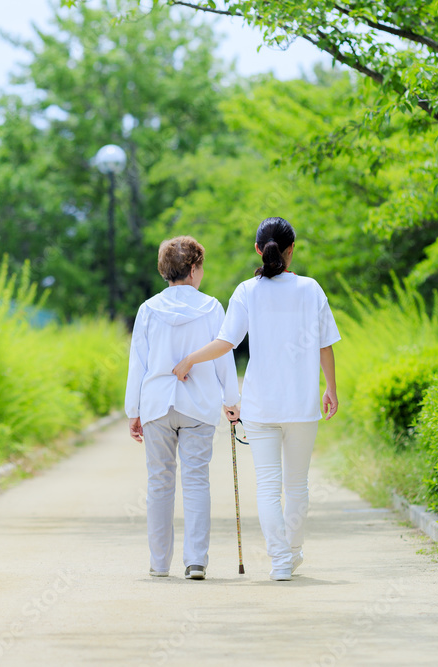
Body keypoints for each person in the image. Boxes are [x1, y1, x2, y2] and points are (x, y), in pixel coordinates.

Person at [172, 217, 341, 581]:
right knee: (297, 484)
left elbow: (225, 343)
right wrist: (331, 388)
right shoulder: (311, 289)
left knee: (268, 485)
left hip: (261, 404)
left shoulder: (247, 291)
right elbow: (325, 343)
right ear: (291, 250)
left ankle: (281, 560)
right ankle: (291, 553)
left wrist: (189, 359)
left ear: (257, 250)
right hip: (301, 403)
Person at [125, 236, 241, 581]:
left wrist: (135, 411)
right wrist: (231, 401)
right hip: (199, 404)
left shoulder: (148, 310)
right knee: (195, 481)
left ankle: (160, 562)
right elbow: (224, 357)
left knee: (159, 483)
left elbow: (138, 364)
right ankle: (196, 561)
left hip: (157, 403)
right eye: (201, 266)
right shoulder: (211, 307)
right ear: (193, 269)